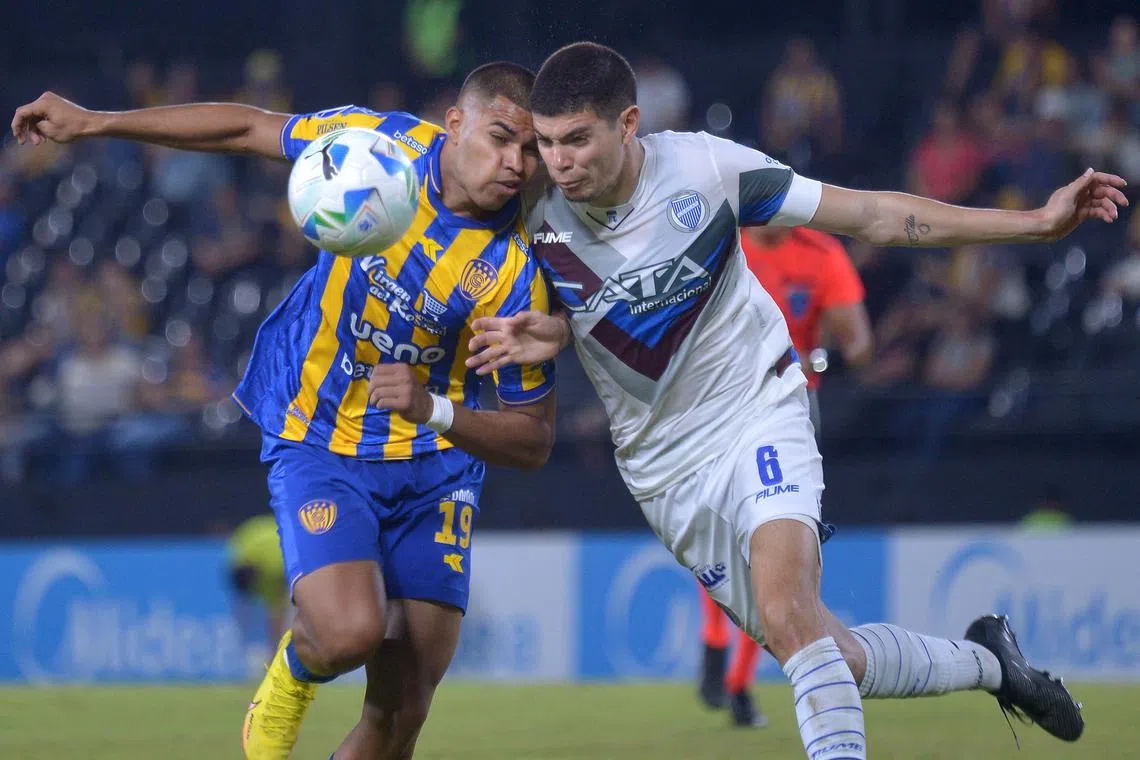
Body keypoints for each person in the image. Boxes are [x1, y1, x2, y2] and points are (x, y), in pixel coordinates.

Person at [467, 42, 1127, 759]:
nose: (558, 162)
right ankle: (994, 664)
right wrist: (557, 331)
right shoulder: (535, 207)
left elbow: (872, 215)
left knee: (787, 610)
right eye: (548, 143)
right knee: (826, 652)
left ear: (628, 124)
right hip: (663, 470)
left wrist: (1032, 223)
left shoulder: (708, 171)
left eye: (576, 140)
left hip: (757, 404)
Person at [12, 61, 557, 760]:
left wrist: (435, 409)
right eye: (501, 138)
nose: (516, 163)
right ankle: (291, 672)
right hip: (320, 433)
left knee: (399, 718)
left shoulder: (519, 269)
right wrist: (96, 122)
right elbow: (248, 125)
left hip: (435, 467)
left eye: (531, 149)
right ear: (455, 122)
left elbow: (534, 442)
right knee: (347, 633)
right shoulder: (376, 145)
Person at [698, 225, 872, 727]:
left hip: (788, 409)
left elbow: (858, 344)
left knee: (776, 546)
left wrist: (822, 355)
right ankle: (714, 641)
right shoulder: (721, 239)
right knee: (713, 524)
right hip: (719, 400)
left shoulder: (820, 255)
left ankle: (737, 685)